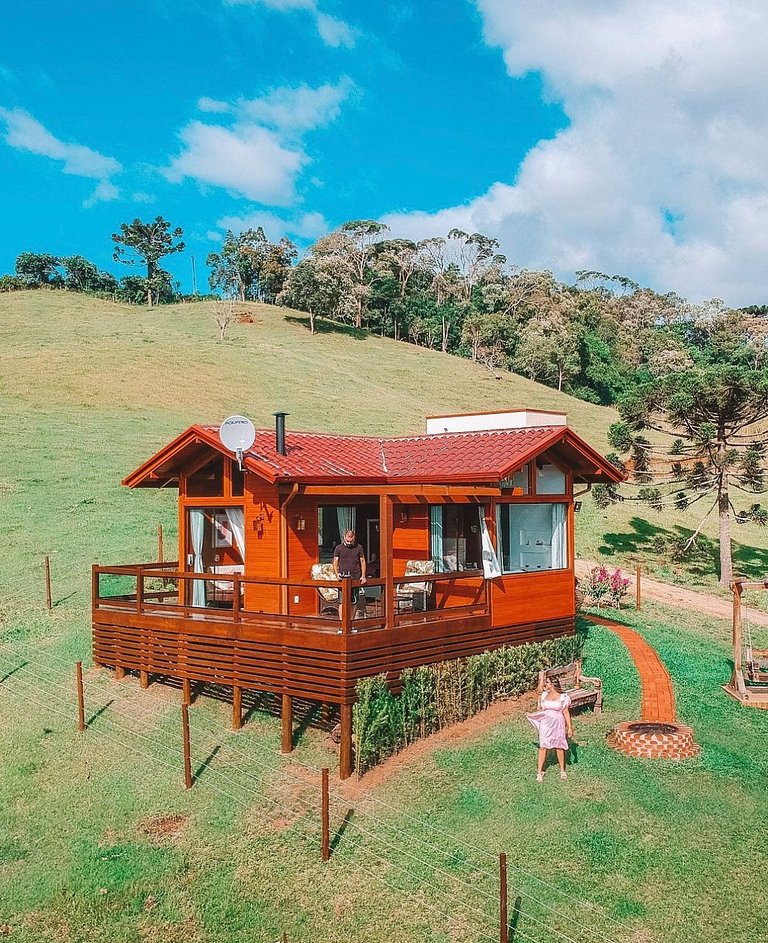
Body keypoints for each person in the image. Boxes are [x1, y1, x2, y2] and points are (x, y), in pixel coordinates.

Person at [526, 676, 573, 782]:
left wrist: (569, 727)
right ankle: (539, 772)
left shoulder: (563, 697)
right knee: (543, 746)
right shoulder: (543, 695)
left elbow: (566, 712)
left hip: (558, 723)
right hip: (546, 724)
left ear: (553, 684)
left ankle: (562, 770)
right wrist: (532, 715)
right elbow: (541, 710)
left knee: (559, 746)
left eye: (547, 683)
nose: (545, 685)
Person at [332, 529, 367, 618]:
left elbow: (362, 561)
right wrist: (337, 574)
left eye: (351, 540)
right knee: (342, 602)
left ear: (354, 538)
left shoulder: (359, 547)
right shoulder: (338, 548)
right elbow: (335, 562)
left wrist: (363, 576)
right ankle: (342, 623)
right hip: (342, 578)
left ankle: (351, 621)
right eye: (348, 540)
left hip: (355, 577)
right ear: (344, 537)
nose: (349, 542)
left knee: (354, 601)